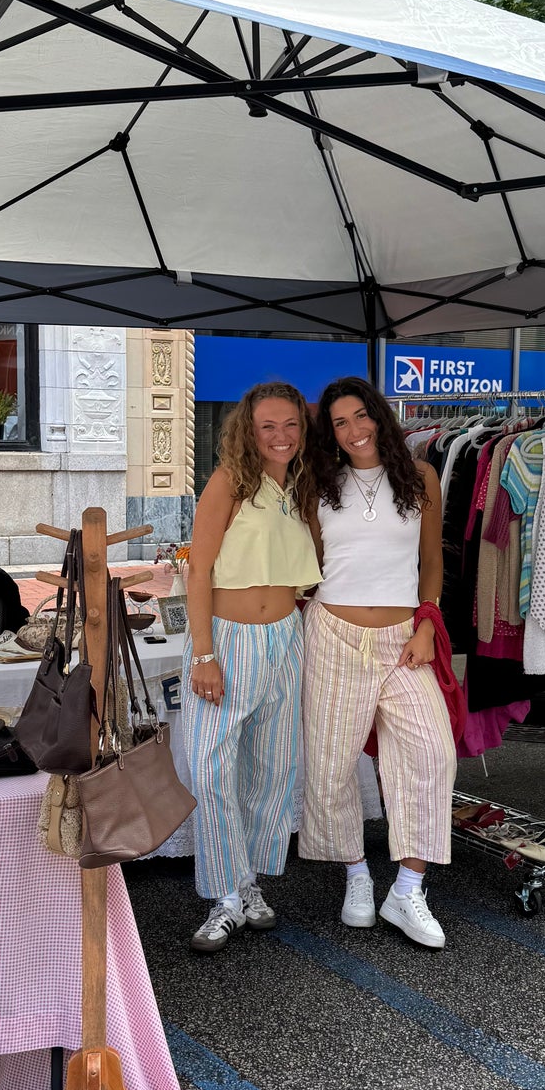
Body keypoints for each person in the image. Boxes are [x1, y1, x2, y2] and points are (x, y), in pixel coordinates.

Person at [299, 377, 457, 949]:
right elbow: (312, 562)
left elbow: (432, 561)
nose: (354, 430)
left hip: (403, 639)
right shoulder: (318, 483)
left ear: (380, 416)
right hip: (332, 634)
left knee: (432, 751)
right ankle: (358, 876)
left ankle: (408, 887)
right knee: (332, 763)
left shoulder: (421, 477)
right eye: (340, 423)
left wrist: (425, 622)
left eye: (361, 416)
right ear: (331, 434)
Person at [182, 382, 320, 953]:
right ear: (248, 429)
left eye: (290, 424)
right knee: (213, 769)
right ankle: (224, 896)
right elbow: (198, 571)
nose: (281, 436)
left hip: (286, 639)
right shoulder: (228, 483)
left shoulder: (305, 487)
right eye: (268, 426)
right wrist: (204, 653)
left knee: (271, 770)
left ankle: (249, 882)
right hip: (230, 641)